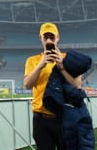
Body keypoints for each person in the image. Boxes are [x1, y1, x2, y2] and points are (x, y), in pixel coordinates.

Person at [24, 22, 82, 150]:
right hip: (41, 119)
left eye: (52, 37)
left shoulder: (68, 59)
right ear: (41, 38)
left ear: (58, 38)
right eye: (46, 37)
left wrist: (62, 67)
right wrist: (41, 64)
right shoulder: (32, 61)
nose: (49, 40)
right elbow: (27, 85)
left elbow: (77, 85)